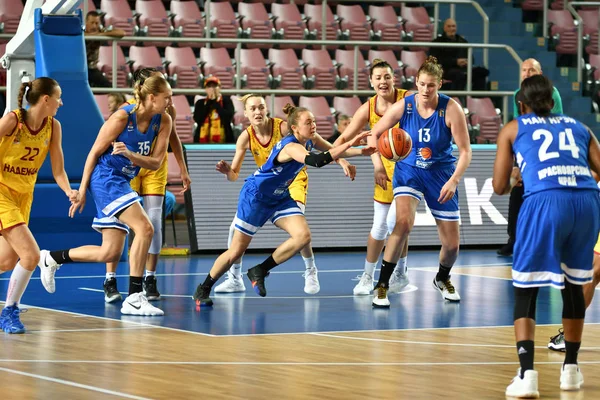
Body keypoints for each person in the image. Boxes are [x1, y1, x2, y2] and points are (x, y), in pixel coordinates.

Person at [192, 104, 375, 307]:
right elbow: (317, 161)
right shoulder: (291, 146)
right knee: (235, 251)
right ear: (295, 128)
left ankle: (260, 269)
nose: (314, 125)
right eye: (308, 122)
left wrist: (360, 152)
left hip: (279, 196)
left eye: (314, 121)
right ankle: (204, 288)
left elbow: (332, 151)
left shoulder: (309, 139)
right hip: (256, 197)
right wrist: (351, 142)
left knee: (303, 236)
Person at [493, 75, 600, 397]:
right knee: (573, 285)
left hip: (545, 202)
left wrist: (517, 175)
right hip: (586, 201)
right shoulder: (580, 127)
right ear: (552, 103)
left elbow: (499, 187)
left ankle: (527, 375)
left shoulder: (513, 127)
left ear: (521, 105)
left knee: (526, 289)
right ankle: (571, 370)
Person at [38, 75, 173, 316]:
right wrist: (81, 190)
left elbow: (155, 163)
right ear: (152, 97)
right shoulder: (122, 117)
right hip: (105, 179)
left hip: (122, 180)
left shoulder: (164, 121)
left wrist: (130, 155)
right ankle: (134, 296)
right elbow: (93, 153)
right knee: (145, 228)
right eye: (167, 97)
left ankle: (51, 258)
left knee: (109, 252)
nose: (170, 102)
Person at [366, 56, 472, 308]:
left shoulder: (451, 109)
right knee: (402, 223)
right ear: (416, 82)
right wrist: (379, 163)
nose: (426, 90)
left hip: (440, 174)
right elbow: (374, 134)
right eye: (422, 84)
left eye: (431, 85)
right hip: (409, 171)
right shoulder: (405, 105)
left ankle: (442, 278)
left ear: (439, 85)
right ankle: (382, 285)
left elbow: (466, 151)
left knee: (452, 245)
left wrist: (454, 181)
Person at [102, 68, 191, 303]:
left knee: (153, 222)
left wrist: (182, 167)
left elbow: (174, 138)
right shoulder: (127, 112)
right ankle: (110, 278)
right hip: (127, 166)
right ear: (146, 88)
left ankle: (150, 277)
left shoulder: (165, 109)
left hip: (153, 165)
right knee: (118, 221)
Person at [0, 78, 78, 333]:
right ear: (46, 99)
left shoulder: (54, 127)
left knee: (6, 261)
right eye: (59, 97)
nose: (62, 102)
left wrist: (69, 191)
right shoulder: (13, 120)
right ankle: (9, 311)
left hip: (24, 197)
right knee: (31, 255)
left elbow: (58, 170)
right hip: (1, 193)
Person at [334, 59, 412, 296]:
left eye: (387, 77)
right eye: (378, 78)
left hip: (410, 170)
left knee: (396, 223)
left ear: (394, 79)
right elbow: (339, 143)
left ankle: (399, 270)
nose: (382, 81)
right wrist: (342, 159)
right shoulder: (367, 109)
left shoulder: (408, 98)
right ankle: (368, 275)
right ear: (371, 82)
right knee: (380, 227)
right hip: (384, 173)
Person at [498, 58, 564, 257]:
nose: (526, 73)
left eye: (531, 70)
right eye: (524, 70)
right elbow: (520, 122)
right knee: (517, 192)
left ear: (540, 73)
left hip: (549, 151)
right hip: (527, 149)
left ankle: (549, 241)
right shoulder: (517, 95)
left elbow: (557, 122)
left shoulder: (553, 94)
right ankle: (514, 239)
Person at [428, 19, 488, 91]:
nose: (452, 29)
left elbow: (471, 58)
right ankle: (457, 98)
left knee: (482, 72)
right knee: (459, 75)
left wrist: (467, 62)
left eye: (453, 26)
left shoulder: (463, 41)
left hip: (464, 69)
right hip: (446, 70)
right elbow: (436, 61)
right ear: (444, 28)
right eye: (449, 26)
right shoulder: (437, 42)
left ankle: (477, 99)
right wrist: (456, 62)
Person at [84, 11, 126, 88]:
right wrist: (94, 35)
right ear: (86, 23)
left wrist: (100, 35)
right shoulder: (81, 31)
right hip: (80, 68)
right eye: (92, 23)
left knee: (110, 89)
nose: (94, 26)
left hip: (92, 69)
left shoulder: (100, 31)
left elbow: (122, 33)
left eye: (96, 23)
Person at [193, 76, 235, 144]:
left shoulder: (226, 101)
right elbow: (198, 119)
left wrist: (216, 102)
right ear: (206, 89)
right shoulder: (200, 103)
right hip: (202, 141)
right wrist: (209, 102)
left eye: (214, 86)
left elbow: (227, 118)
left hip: (224, 141)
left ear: (220, 88)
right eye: (209, 86)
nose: (212, 89)